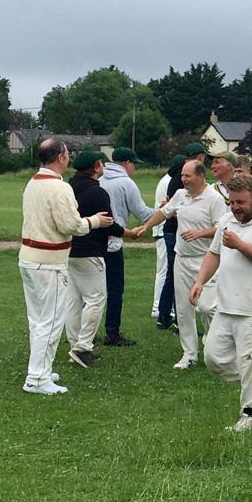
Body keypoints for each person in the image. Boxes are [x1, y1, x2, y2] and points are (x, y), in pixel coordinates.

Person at [191, 173, 252, 432]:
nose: (235, 207)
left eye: (240, 202)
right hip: (225, 305)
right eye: (232, 202)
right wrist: (200, 281)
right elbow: (213, 254)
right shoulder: (226, 221)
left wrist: (240, 244)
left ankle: (251, 416)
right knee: (213, 359)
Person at [18, 138, 112, 394]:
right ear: (60, 157)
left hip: (29, 258)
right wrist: (94, 221)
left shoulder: (33, 182)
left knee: (38, 320)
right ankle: (37, 378)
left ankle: (40, 370)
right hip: (48, 262)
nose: (69, 157)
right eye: (67, 153)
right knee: (49, 321)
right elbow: (71, 225)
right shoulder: (59, 188)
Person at [65, 151, 131, 368]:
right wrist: (128, 232)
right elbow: (108, 223)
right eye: (101, 163)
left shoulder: (69, 188)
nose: (103, 166)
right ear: (95, 167)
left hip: (69, 250)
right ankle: (83, 347)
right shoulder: (97, 192)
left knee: (74, 301)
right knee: (96, 299)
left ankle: (74, 344)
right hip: (91, 251)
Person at [162, 159, 228, 370]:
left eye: (187, 175)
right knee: (183, 309)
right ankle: (189, 354)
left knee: (208, 307)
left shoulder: (214, 199)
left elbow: (221, 228)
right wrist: (144, 227)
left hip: (206, 259)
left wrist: (200, 233)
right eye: (182, 175)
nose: (183, 179)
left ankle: (212, 339)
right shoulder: (180, 195)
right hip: (182, 258)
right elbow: (164, 212)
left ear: (200, 176)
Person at [99, 147, 165, 347]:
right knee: (115, 290)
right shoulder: (126, 183)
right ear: (127, 163)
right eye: (133, 164)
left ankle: (85, 332)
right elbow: (142, 213)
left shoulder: (99, 179)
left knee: (92, 292)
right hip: (114, 241)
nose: (134, 168)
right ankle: (112, 332)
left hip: (94, 242)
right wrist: (163, 210)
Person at [158, 143, 209, 332]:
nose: (185, 179)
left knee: (172, 275)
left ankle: (165, 315)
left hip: (173, 231)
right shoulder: (185, 178)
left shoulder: (176, 175)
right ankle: (173, 317)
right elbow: (174, 209)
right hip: (177, 232)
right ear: (201, 157)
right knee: (176, 277)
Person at [151, 153, 184, 327]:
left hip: (163, 228)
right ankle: (159, 308)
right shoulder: (170, 182)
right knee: (165, 271)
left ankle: (162, 311)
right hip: (165, 228)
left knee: (166, 271)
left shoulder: (166, 179)